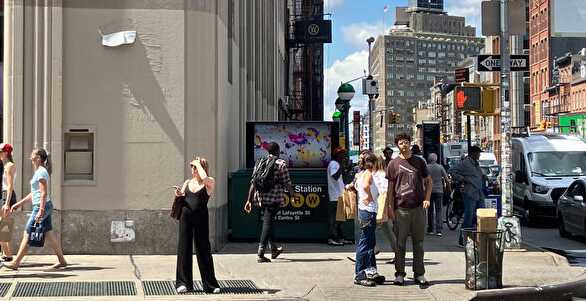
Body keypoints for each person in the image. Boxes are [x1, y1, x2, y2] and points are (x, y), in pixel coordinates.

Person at [3, 148, 67, 271]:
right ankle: (62, 261)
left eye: (33, 155)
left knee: (28, 232)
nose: (30, 157)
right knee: (48, 234)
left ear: (38, 158)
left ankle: (16, 262)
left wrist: (41, 210)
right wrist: (19, 204)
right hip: (43, 205)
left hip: (41, 206)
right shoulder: (39, 171)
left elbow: (43, 193)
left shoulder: (41, 172)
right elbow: (34, 193)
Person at [386, 133, 432, 286]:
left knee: (418, 243)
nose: (404, 145)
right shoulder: (393, 164)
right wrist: (390, 208)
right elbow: (390, 188)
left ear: (410, 144)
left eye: (406, 142)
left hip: (418, 208)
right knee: (400, 244)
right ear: (397, 145)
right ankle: (399, 274)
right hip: (401, 209)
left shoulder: (419, 162)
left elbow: (428, 181)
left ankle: (419, 274)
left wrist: (427, 199)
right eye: (401, 143)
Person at [174, 156, 220, 294]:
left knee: (203, 249)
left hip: (201, 219)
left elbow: (205, 179)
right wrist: (178, 194)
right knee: (184, 248)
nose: (192, 170)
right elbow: (182, 196)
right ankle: (183, 283)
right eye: (192, 167)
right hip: (185, 218)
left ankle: (210, 285)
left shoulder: (209, 182)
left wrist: (199, 164)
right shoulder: (188, 182)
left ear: (202, 168)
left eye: (195, 167)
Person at [244, 142, 292, 263]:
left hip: (260, 198)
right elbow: (287, 183)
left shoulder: (260, 162)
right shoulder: (281, 164)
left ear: (268, 152)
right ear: (278, 151)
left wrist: (249, 200)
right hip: (274, 198)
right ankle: (260, 253)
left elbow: (253, 182)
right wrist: (293, 194)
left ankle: (274, 249)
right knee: (267, 223)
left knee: (268, 221)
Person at [353, 151, 384, 287]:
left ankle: (371, 271)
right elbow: (366, 186)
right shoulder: (368, 173)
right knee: (365, 243)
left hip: (366, 211)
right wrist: (370, 197)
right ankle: (360, 274)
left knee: (370, 242)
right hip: (368, 211)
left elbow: (356, 186)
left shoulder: (361, 174)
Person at [449, 146, 485, 247]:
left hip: (479, 193)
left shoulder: (476, 164)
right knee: (469, 216)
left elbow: (477, 175)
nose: (479, 155)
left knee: (481, 215)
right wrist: (462, 179)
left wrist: (483, 176)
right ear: (473, 153)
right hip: (469, 193)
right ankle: (463, 239)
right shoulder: (465, 163)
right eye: (478, 153)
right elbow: (451, 171)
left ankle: (477, 238)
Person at [373, 155, 396, 264]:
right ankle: (398, 253)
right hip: (385, 203)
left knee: (370, 228)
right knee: (388, 230)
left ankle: (373, 248)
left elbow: (380, 191)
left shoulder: (377, 175)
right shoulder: (385, 174)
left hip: (379, 204)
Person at [426, 153, 450, 237]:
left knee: (430, 210)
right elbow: (447, 179)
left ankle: (430, 229)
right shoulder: (440, 167)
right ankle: (439, 230)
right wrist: (449, 189)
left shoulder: (426, 167)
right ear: (436, 159)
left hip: (429, 191)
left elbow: (423, 179)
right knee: (439, 210)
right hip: (439, 191)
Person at [326, 147, 346, 246]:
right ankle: (332, 238)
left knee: (339, 218)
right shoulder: (334, 164)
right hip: (334, 196)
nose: (343, 156)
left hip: (339, 195)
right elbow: (335, 176)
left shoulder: (337, 164)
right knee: (334, 219)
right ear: (337, 155)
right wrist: (342, 166)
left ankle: (339, 237)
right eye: (341, 154)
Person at [0, 143, 16, 262]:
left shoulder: (9, 166)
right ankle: (6, 253)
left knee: (4, 226)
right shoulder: (4, 165)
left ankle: (8, 254)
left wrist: (7, 203)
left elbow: (10, 186)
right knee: (3, 226)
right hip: (4, 195)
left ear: (5, 153)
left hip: (7, 196)